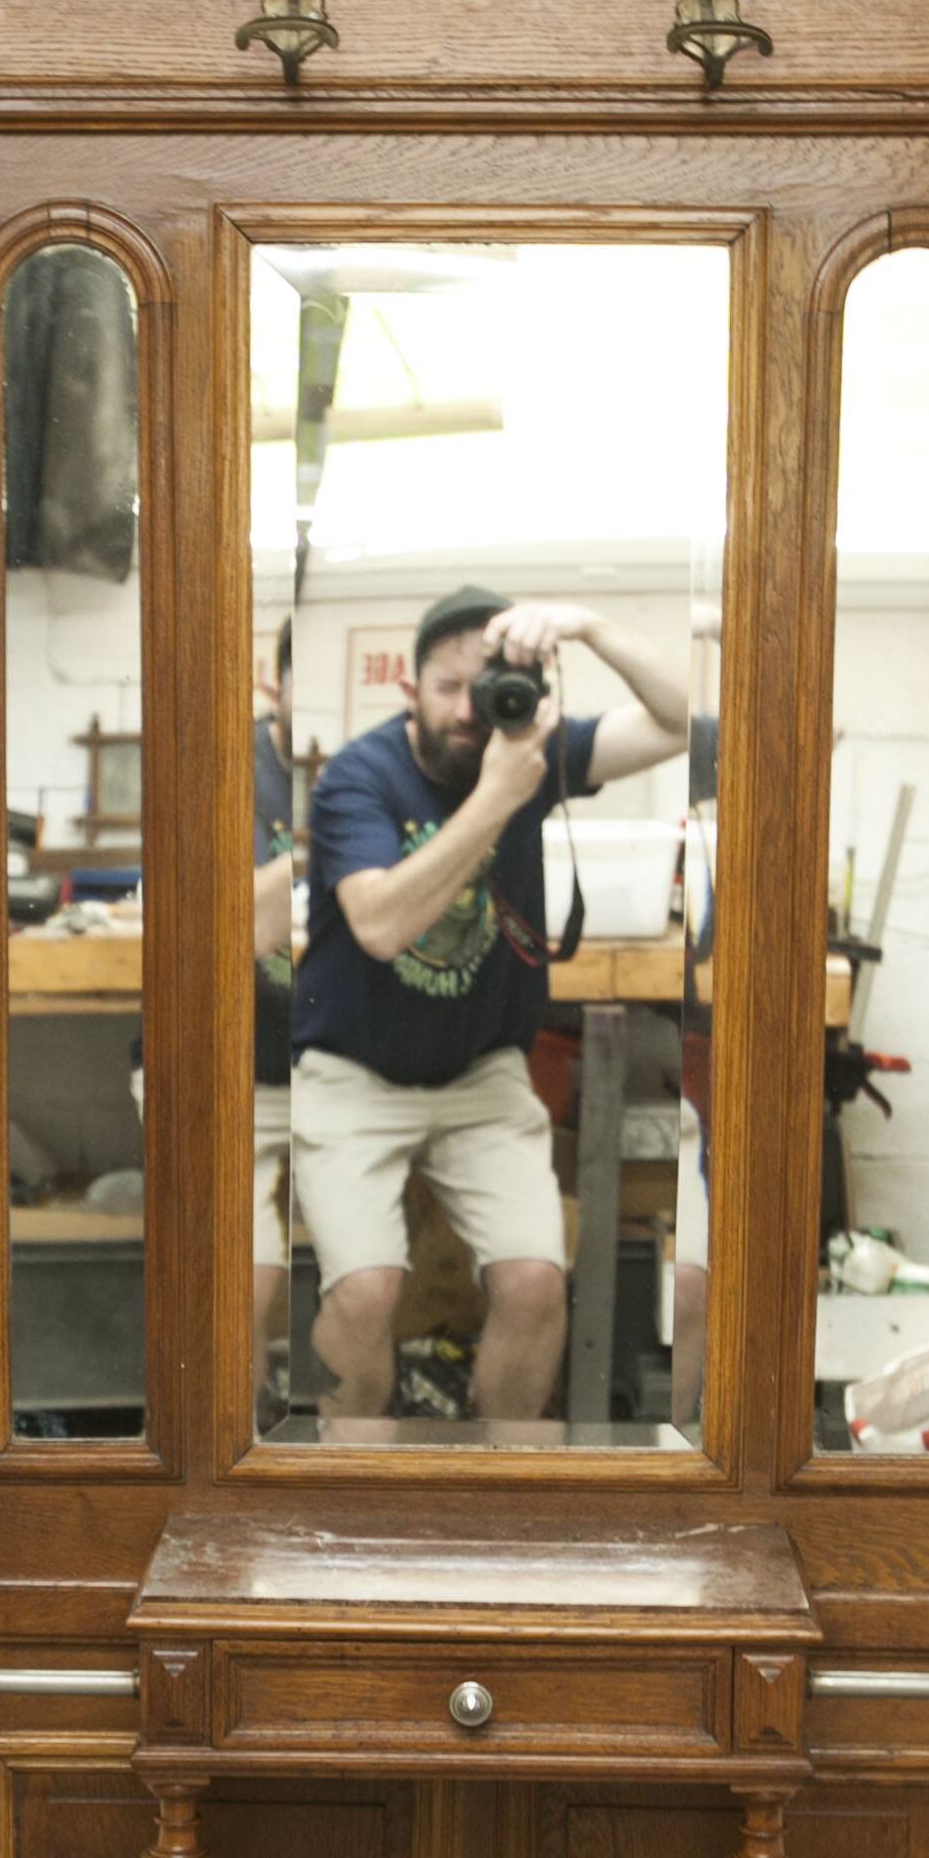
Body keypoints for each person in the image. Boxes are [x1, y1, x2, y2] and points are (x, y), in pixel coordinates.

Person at [290, 583, 687, 1424]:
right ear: (409, 690)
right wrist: (502, 794)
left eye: (489, 687)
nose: (469, 708)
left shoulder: (528, 746)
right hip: (352, 1076)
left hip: (480, 1076)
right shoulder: (359, 779)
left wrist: (590, 623)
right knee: (364, 1293)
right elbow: (381, 925)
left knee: (536, 1283)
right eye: (447, 686)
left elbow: (681, 721)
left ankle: (496, 1478)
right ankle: (346, 1484)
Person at [250, 621, 297, 1411]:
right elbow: (222, 927)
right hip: (233, 1063)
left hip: (351, 1068)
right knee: (240, 1259)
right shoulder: (227, 767)